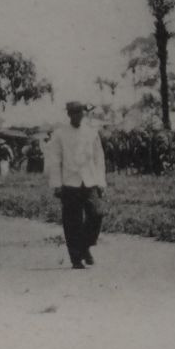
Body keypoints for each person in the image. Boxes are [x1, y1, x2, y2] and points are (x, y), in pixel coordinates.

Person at [42, 100, 108, 270]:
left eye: (80, 112)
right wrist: (56, 184)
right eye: (74, 113)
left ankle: (85, 245)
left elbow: (98, 159)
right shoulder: (60, 134)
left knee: (97, 213)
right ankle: (76, 258)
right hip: (69, 182)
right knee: (72, 221)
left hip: (89, 181)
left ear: (84, 114)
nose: (78, 116)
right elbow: (54, 160)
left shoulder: (91, 133)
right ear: (69, 114)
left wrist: (100, 182)